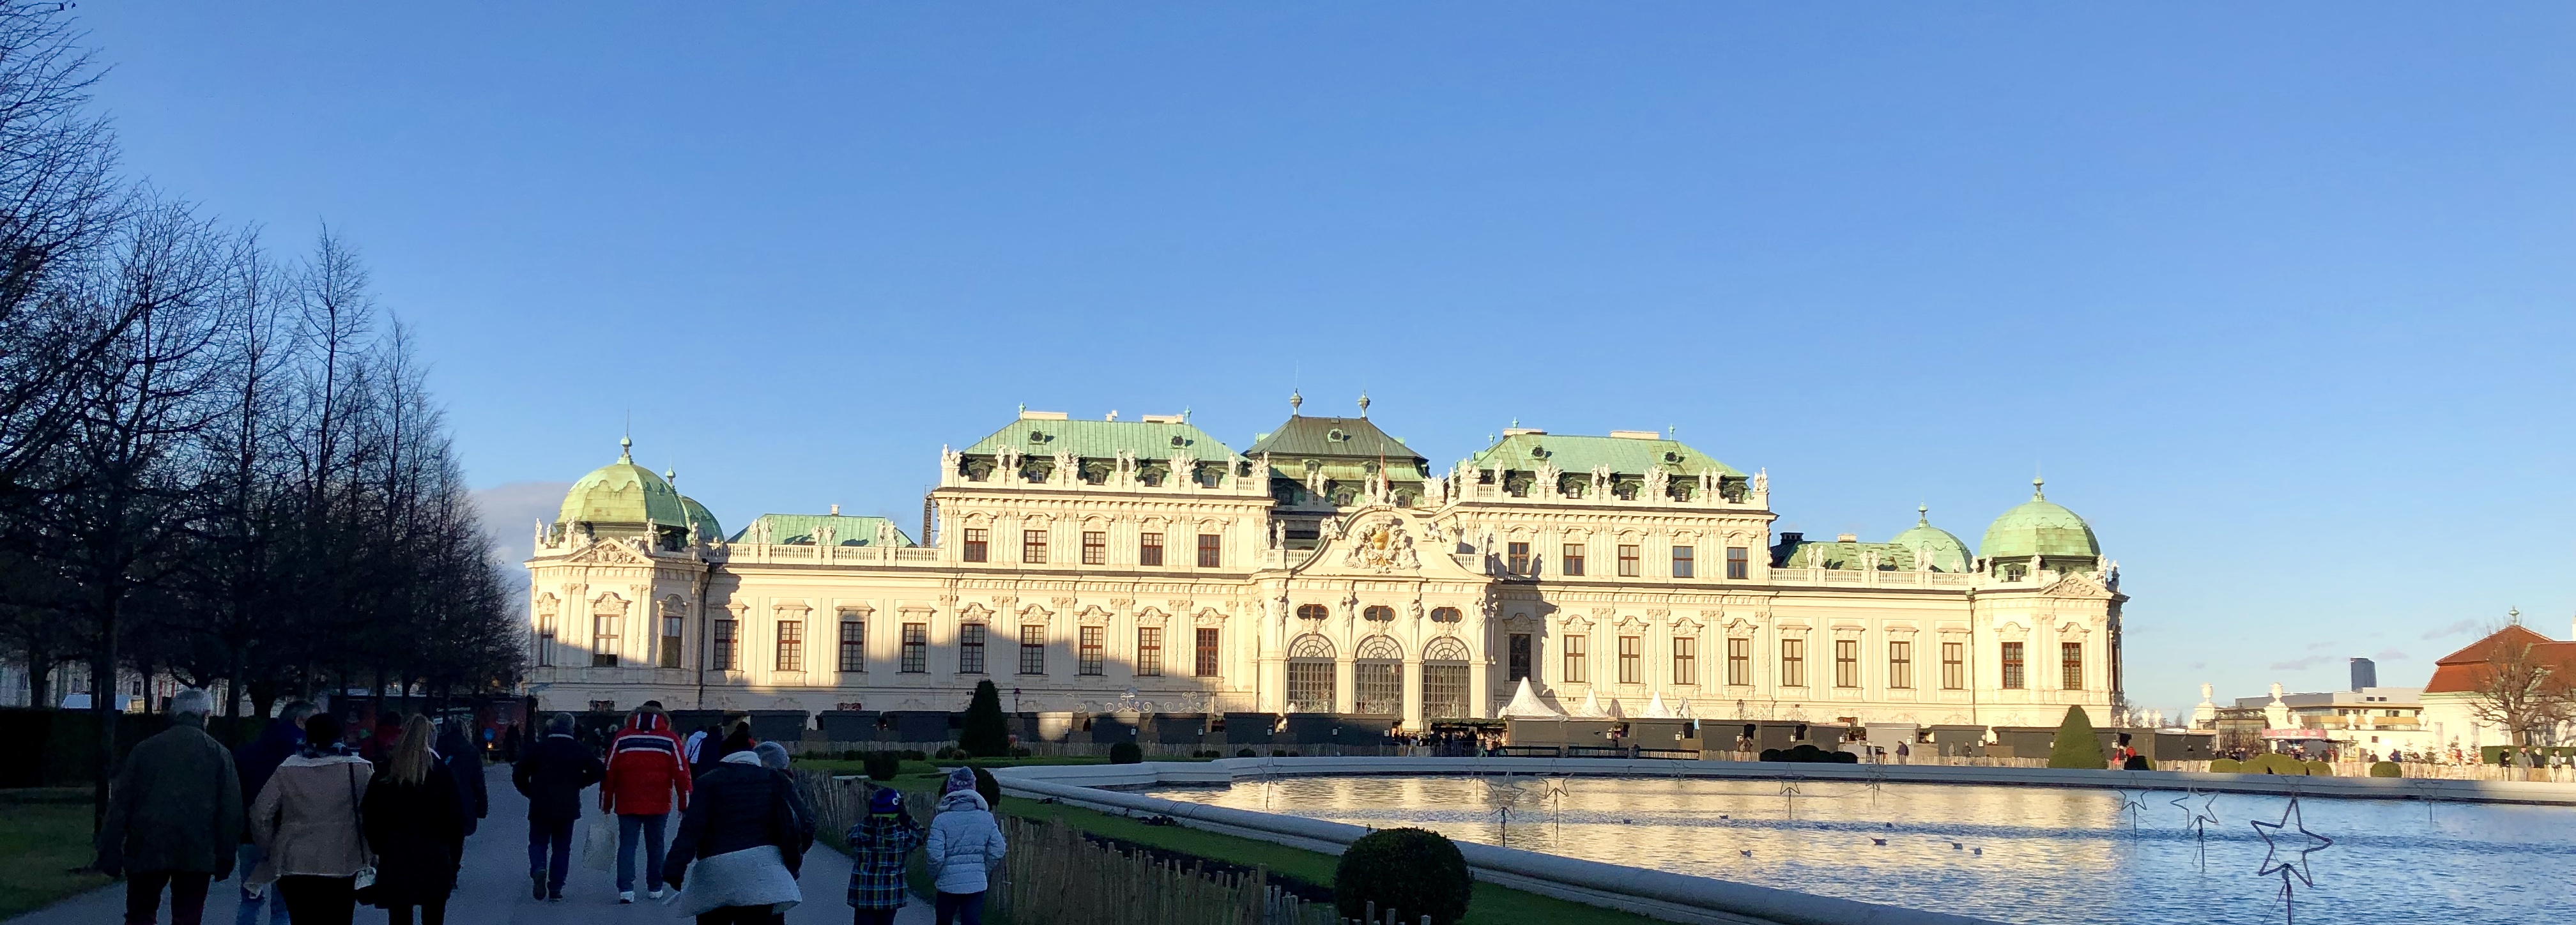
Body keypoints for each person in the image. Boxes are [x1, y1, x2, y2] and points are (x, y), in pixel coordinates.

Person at [97, 687, 243, 925]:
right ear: (206, 715)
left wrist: (110, 850)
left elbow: (121, 804)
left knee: (140, 914)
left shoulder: (145, 750)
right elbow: (231, 811)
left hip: (147, 844)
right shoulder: (218, 753)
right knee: (188, 915)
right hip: (197, 849)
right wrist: (225, 855)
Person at [248, 712, 374, 925]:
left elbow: (261, 814)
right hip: (345, 859)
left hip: (296, 861)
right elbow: (373, 813)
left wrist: (270, 847)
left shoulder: (288, 768)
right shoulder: (360, 769)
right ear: (340, 736)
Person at [666, 736, 808, 924]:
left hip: (715, 870)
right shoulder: (776, 780)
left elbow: (690, 831)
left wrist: (675, 868)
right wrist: (790, 863)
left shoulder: (707, 782)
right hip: (763, 871)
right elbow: (803, 825)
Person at [361, 715, 466, 925]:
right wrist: (453, 859)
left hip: (396, 854)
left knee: (399, 915)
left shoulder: (386, 771)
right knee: (434, 915)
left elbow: (370, 813)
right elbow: (456, 820)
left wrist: (379, 847)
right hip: (434, 854)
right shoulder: (441, 773)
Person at [233, 700, 316, 925]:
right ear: (300, 721)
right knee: (283, 906)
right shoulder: (304, 756)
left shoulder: (247, 752)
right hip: (289, 837)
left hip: (250, 835)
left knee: (250, 899)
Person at [602, 705, 694, 903]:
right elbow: (681, 772)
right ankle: (655, 887)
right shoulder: (670, 739)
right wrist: (684, 804)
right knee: (656, 845)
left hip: (627, 801)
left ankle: (626, 890)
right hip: (659, 802)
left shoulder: (623, 738)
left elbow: (609, 771)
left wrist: (606, 802)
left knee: (627, 845)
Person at [512, 712, 604, 902]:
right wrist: (580, 782)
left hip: (540, 805)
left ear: (551, 728)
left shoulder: (538, 749)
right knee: (562, 848)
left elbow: (519, 773)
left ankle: (538, 868)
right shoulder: (578, 749)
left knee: (538, 843)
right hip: (567, 806)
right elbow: (599, 771)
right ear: (571, 729)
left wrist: (530, 792)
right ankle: (556, 888)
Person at [923, 767, 1006, 925]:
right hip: (976, 883)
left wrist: (935, 874)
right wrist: (983, 868)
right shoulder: (986, 818)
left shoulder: (941, 820)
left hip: (947, 884)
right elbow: (998, 849)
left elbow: (935, 856)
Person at [845, 786, 924, 925]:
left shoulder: (862, 832)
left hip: (864, 894)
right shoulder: (903, 836)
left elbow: (849, 837)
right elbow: (921, 834)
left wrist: (869, 819)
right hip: (890, 895)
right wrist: (906, 818)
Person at [434, 721, 488, 837]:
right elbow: (478, 783)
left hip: (441, 801)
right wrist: (482, 808)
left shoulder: (439, 747)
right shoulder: (471, 751)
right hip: (465, 802)